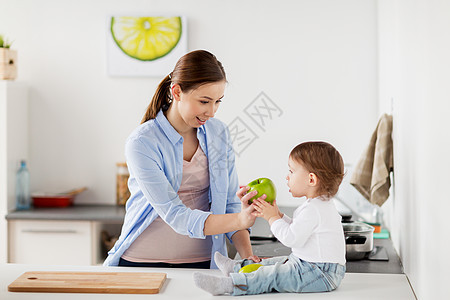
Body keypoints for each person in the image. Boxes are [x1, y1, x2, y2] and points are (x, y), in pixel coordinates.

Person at [104, 50, 261, 269]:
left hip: (205, 261)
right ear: (177, 92)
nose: (212, 112)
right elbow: (175, 215)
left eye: (218, 101)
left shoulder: (219, 133)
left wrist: (247, 256)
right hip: (142, 262)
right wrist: (239, 219)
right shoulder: (142, 142)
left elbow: (229, 203)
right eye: (204, 101)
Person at [193, 141, 346, 295]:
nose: (287, 177)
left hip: (320, 273)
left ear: (311, 179)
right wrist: (278, 215)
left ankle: (230, 285)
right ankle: (236, 268)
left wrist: (272, 218)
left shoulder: (313, 209)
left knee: (273, 275)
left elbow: (291, 238)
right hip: (315, 267)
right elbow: (298, 229)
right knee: (274, 262)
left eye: (291, 171)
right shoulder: (320, 205)